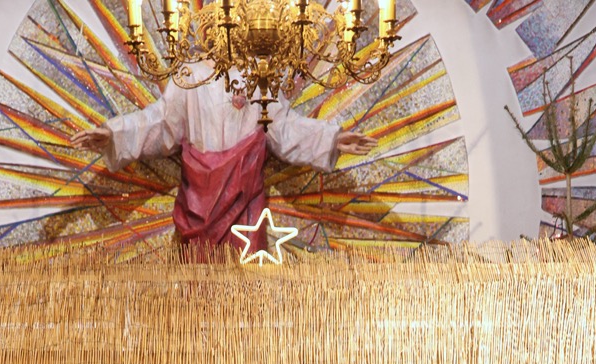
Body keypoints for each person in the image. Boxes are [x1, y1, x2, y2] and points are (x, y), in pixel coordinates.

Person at [68, 70, 374, 251]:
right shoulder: (190, 75)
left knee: (243, 295)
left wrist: (332, 139)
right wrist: (112, 134)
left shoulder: (259, 75)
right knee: (197, 296)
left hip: (244, 200)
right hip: (199, 202)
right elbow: (159, 123)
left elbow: (284, 128)